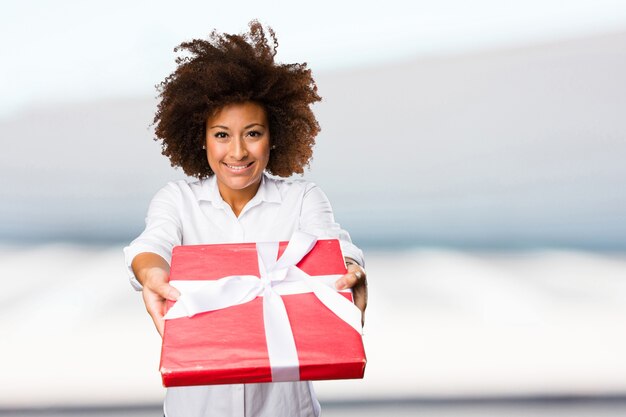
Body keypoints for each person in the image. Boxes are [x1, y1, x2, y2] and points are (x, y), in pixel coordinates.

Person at [124, 20, 367, 417]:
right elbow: (151, 246)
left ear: (276, 135)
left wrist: (351, 267)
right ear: (200, 137)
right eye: (221, 135)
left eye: (252, 133)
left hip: (286, 409)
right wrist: (152, 276)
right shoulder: (178, 200)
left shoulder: (302, 197)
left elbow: (333, 247)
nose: (237, 151)